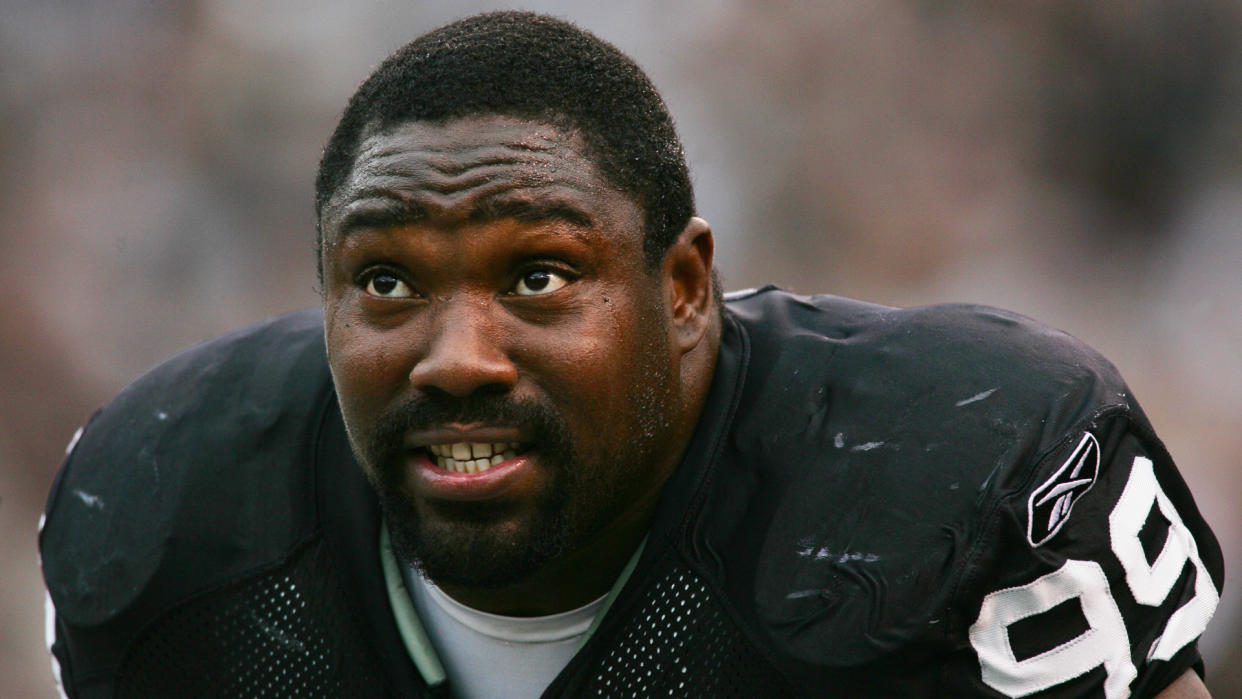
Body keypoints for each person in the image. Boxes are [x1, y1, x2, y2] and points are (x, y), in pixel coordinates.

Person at [40, 11, 1223, 698]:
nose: (456, 358)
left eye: (537, 278)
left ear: (685, 289)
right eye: (387, 282)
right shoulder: (171, 513)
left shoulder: (956, 468)